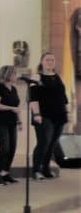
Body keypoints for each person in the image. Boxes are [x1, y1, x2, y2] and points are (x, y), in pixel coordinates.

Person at [29, 52, 70, 180]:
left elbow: (64, 97)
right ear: (42, 62)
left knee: (52, 143)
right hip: (43, 115)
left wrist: (67, 112)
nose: (50, 62)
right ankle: (36, 170)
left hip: (59, 115)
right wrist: (36, 114)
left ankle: (45, 169)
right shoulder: (36, 77)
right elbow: (33, 98)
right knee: (43, 142)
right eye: (47, 60)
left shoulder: (58, 77)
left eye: (52, 60)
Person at [0, 65, 22, 185]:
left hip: (12, 121)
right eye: (14, 73)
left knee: (12, 148)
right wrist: (11, 108)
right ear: (7, 75)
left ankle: (5, 173)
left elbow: (17, 107)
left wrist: (19, 121)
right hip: (0, 121)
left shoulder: (13, 89)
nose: (16, 76)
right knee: (5, 148)